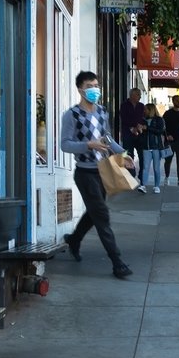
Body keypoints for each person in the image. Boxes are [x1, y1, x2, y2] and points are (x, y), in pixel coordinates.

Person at [61, 71, 134, 279]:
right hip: (85, 174)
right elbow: (64, 144)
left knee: (95, 213)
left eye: (96, 85)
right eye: (89, 85)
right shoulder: (72, 114)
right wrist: (88, 145)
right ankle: (117, 262)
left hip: (103, 170)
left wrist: (123, 154)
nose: (94, 89)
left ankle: (74, 239)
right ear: (80, 89)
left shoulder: (102, 112)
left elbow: (107, 138)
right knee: (102, 215)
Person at [118, 88, 146, 186]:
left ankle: (142, 177)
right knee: (128, 156)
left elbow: (144, 119)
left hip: (140, 135)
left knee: (143, 156)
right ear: (132, 95)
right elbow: (124, 118)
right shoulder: (124, 105)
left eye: (140, 94)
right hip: (127, 134)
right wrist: (131, 128)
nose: (140, 96)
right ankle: (130, 175)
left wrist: (141, 126)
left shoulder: (141, 106)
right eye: (138, 94)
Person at [142, 102, 167, 194]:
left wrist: (147, 128)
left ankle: (156, 186)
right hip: (146, 147)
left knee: (156, 168)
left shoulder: (159, 120)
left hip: (156, 147)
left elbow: (160, 131)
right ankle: (143, 185)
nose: (144, 111)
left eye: (146, 109)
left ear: (150, 110)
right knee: (145, 167)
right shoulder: (143, 119)